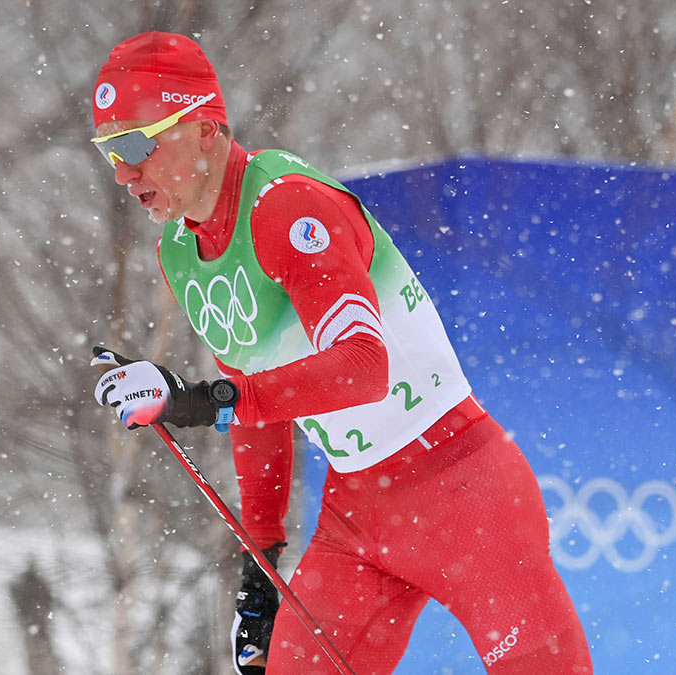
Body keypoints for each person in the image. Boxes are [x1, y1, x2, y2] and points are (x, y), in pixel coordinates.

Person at [88, 31, 593, 675]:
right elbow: (256, 412)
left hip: (462, 490)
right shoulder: (182, 254)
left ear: (205, 127)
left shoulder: (287, 206)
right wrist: (262, 557)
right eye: (109, 152)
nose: (124, 173)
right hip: (357, 515)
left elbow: (363, 367)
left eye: (136, 144)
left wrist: (202, 402)